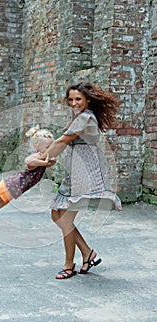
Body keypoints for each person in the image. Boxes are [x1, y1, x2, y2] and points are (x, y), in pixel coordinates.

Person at [41, 81, 122, 279]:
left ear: (87, 100)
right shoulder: (81, 117)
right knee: (56, 215)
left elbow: (61, 141)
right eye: (71, 99)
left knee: (66, 220)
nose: (74, 103)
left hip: (85, 175)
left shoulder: (85, 118)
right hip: (74, 174)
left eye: (78, 99)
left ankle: (69, 265)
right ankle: (87, 253)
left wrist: (39, 161)